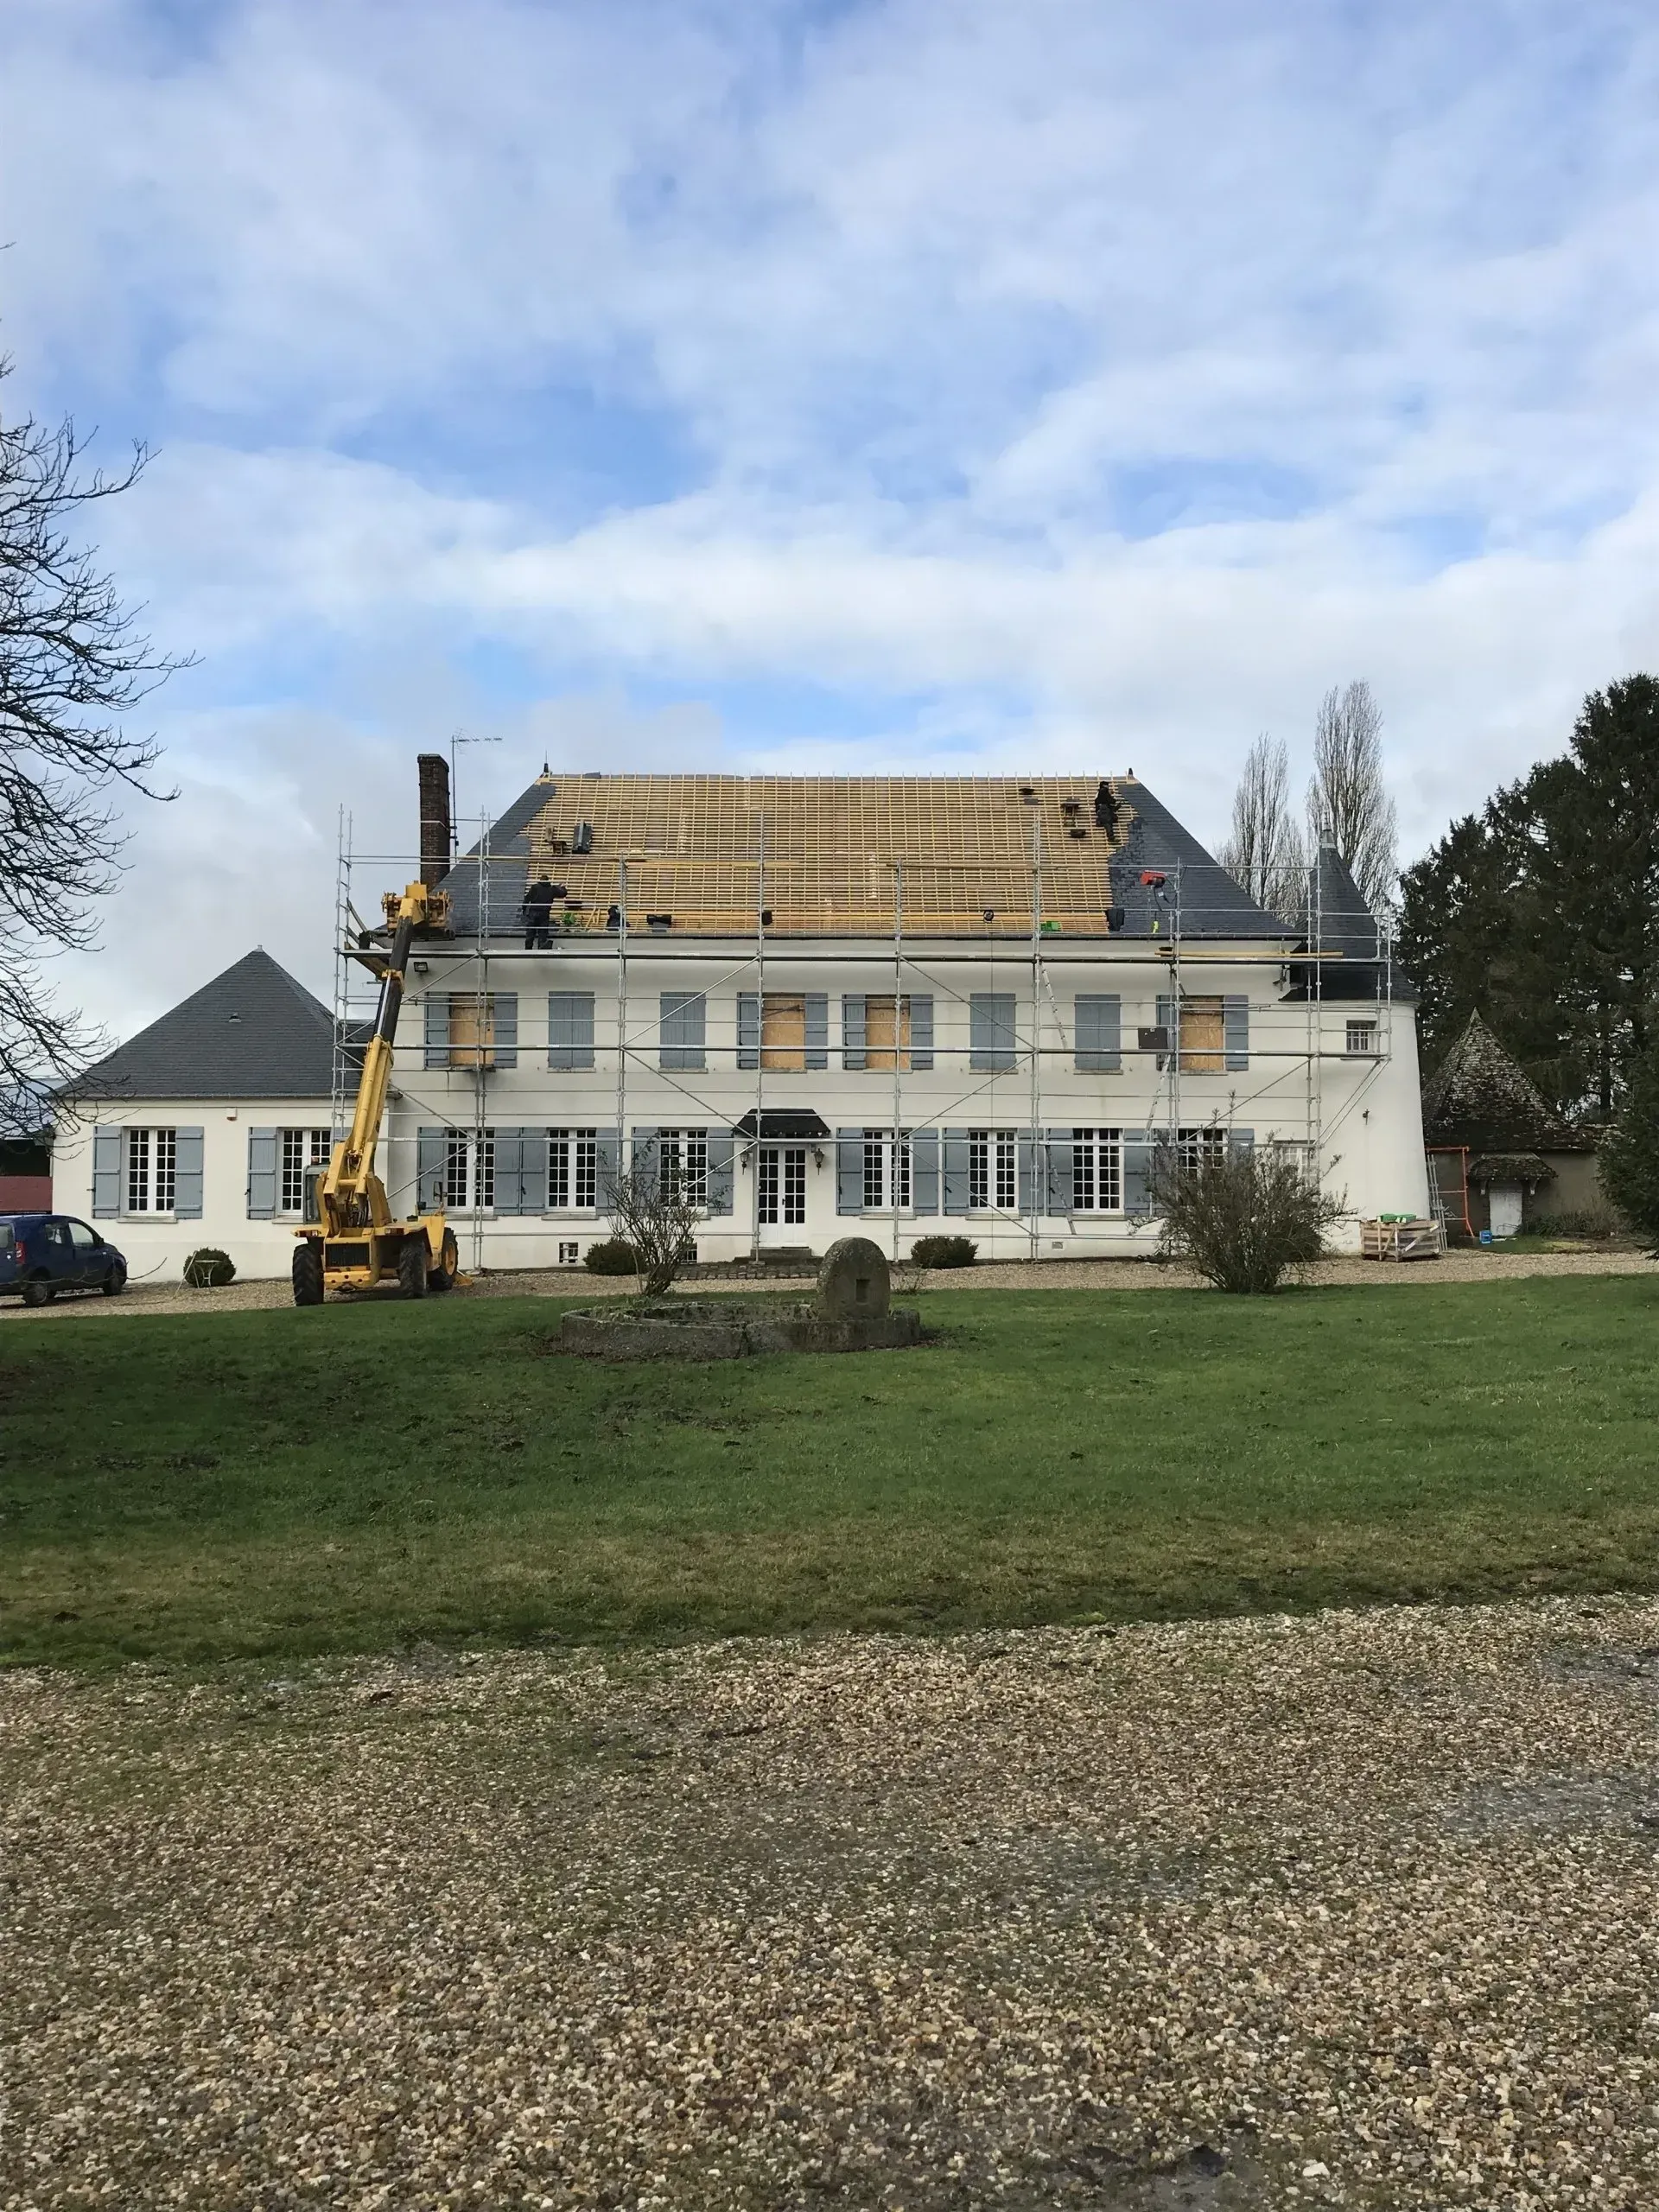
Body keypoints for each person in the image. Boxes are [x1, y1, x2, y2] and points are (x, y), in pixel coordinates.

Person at [522, 875, 556, 949]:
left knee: (530, 932)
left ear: (540, 880)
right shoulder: (551, 889)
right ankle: (541, 949)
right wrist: (562, 887)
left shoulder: (535, 887)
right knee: (543, 933)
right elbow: (563, 893)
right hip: (544, 913)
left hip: (533, 912)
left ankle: (528, 949)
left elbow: (527, 898)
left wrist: (524, 909)